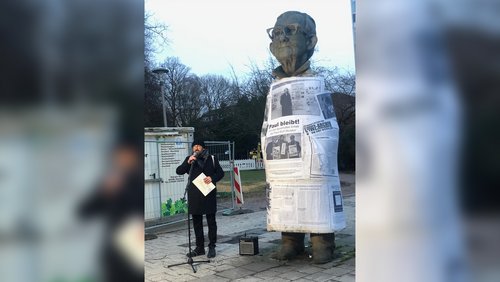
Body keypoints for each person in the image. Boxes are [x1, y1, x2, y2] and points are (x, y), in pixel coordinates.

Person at [266, 11, 338, 264]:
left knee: (315, 190)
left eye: (291, 30)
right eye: (277, 32)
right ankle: (290, 240)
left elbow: (329, 126)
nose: (282, 37)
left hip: (311, 156)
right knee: (286, 193)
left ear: (311, 41)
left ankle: (322, 240)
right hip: (283, 159)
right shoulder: (274, 87)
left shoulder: (316, 82)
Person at [176, 140, 224, 258]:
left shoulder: (212, 158)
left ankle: (212, 246)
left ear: (203, 147)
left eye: (199, 146)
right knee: (197, 223)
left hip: (209, 194)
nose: (196, 148)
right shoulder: (190, 159)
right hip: (195, 196)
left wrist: (212, 178)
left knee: (211, 222)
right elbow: (179, 171)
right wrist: (188, 162)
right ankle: (199, 248)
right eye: (194, 146)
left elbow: (220, 173)